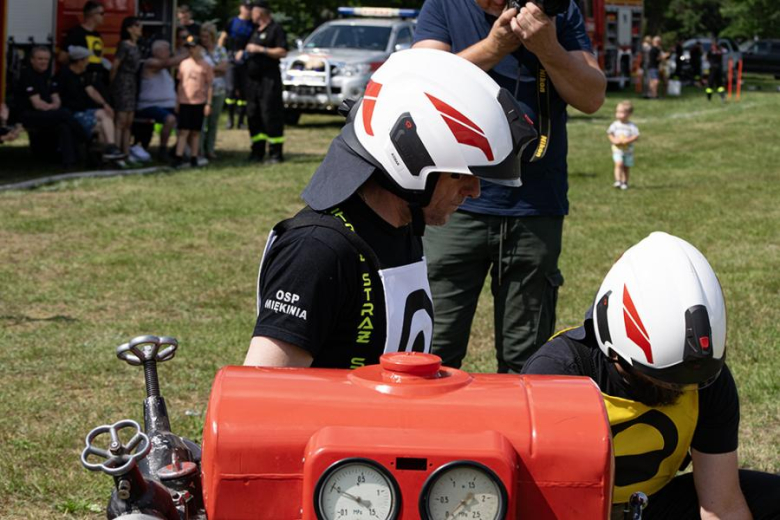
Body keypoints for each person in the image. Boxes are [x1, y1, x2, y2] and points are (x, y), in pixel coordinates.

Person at [244, 49, 537, 369]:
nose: (475, 191)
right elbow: (264, 394)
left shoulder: (402, 225)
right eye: (462, 174)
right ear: (411, 157)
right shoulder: (316, 250)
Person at [522, 232, 780, 520]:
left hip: (651, 504)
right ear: (615, 350)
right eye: (662, 379)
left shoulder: (705, 377)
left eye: (687, 381)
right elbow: (539, 504)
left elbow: (721, 505)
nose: (680, 389)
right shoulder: (558, 376)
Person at [412, 0, 606, 373]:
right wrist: (494, 47)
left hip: (534, 205)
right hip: (451, 206)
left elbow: (592, 96)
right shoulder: (443, 6)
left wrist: (548, 49)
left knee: (528, 360)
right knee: (430, 353)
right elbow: (420, 84)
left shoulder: (554, 12)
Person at [13, 46, 87, 166]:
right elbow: (37, 104)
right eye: (40, 59)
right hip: (28, 114)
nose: (43, 62)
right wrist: (53, 108)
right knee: (64, 114)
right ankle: (84, 138)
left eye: (46, 59)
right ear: (32, 60)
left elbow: (56, 96)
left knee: (64, 124)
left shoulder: (48, 75)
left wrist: (54, 106)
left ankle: (70, 161)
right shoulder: (27, 75)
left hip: (46, 112)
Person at [57, 46, 124, 161]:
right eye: (86, 60)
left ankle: (110, 148)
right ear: (79, 61)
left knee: (105, 114)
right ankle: (104, 156)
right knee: (101, 127)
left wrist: (105, 104)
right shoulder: (64, 75)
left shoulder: (84, 74)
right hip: (72, 112)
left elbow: (91, 91)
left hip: (85, 111)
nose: (88, 62)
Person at [244, 0, 288, 163]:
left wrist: (260, 49)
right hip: (253, 81)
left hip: (269, 80)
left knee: (270, 114)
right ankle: (257, 151)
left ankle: (276, 153)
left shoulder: (275, 29)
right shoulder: (254, 30)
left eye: (253, 12)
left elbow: (282, 51)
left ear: (261, 13)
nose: (251, 15)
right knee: (253, 114)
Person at [136, 40, 186, 161]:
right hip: (150, 105)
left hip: (168, 104)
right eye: (167, 50)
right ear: (156, 51)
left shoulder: (164, 70)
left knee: (187, 120)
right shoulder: (150, 63)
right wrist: (188, 53)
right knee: (170, 119)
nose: (169, 52)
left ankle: (178, 149)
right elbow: (168, 62)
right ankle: (162, 149)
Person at [174, 36, 213, 168]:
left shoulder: (205, 65)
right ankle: (178, 156)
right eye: (189, 47)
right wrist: (177, 101)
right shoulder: (184, 64)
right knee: (183, 130)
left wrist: (208, 103)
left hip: (199, 102)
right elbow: (180, 84)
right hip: (185, 101)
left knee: (196, 131)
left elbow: (209, 86)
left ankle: (194, 156)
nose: (191, 50)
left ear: (200, 48)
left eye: (193, 47)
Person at [110, 16, 143, 161]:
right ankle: (116, 151)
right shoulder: (124, 45)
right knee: (121, 120)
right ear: (129, 29)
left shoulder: (137, 46)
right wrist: (112, 84)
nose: (139, 28)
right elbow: (115, 65)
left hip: (132, 82)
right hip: (123, 82)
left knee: (129, 120)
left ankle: (126, 152)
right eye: (137, 26)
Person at [60, 1, 109, 98]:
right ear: (91, 14)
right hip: (83, 80)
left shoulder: (97, 35)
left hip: (98, 79)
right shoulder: (76, 33)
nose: (104, 16)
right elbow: (62, 57)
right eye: (101, 13)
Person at [219, 0, 254, 130]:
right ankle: (230, 119)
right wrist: (221, 55)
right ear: (241, 8)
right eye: (246, 7)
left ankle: (241, 121)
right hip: (231, 59)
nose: (248, 10)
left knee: (244, 92)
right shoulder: (232, 22)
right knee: (231, 89)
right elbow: (222, 39)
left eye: (250, 8)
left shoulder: (252, 24)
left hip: (245, 61)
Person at [199, 22, 229, 160]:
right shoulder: (199, 51)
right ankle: (199, 149)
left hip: (218, 89)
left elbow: (224, 68)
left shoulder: (220, 50)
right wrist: (213, 70)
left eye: (206, 37)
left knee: (213, 121)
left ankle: (210, 149)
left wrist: (209, 70)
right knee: (201, 121)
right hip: (201, 90)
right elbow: (199, 69)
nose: (204, 39)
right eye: (202, 36)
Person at [607, 100, 639, 190]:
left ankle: (625, 182)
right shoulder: (615, 125)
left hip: (628, 151)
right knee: (619, 163)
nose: (618, 114)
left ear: (629, 114)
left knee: (626, 167)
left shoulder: (631, 126)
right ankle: (618, 181)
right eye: (617, 112)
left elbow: (636, 136)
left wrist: (628, 140)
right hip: (617, 150)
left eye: (621, 112)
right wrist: (614, 140)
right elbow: (610, 133)